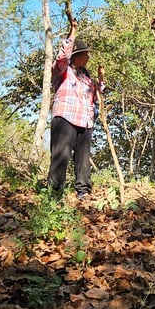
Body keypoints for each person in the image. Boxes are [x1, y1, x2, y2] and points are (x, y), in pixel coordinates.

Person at [46, 21, 104, 198]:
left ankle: (83, 191)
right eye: (85, 54)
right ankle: (54, 194)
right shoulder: (63, 71)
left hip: (85, 121)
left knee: (83, 158)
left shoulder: (86, 77)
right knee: (61, 155)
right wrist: (73, 32)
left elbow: (95, 95)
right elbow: (62, 58)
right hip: (66, 117)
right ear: (76, 56)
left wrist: (100, 79)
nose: (88, 57)